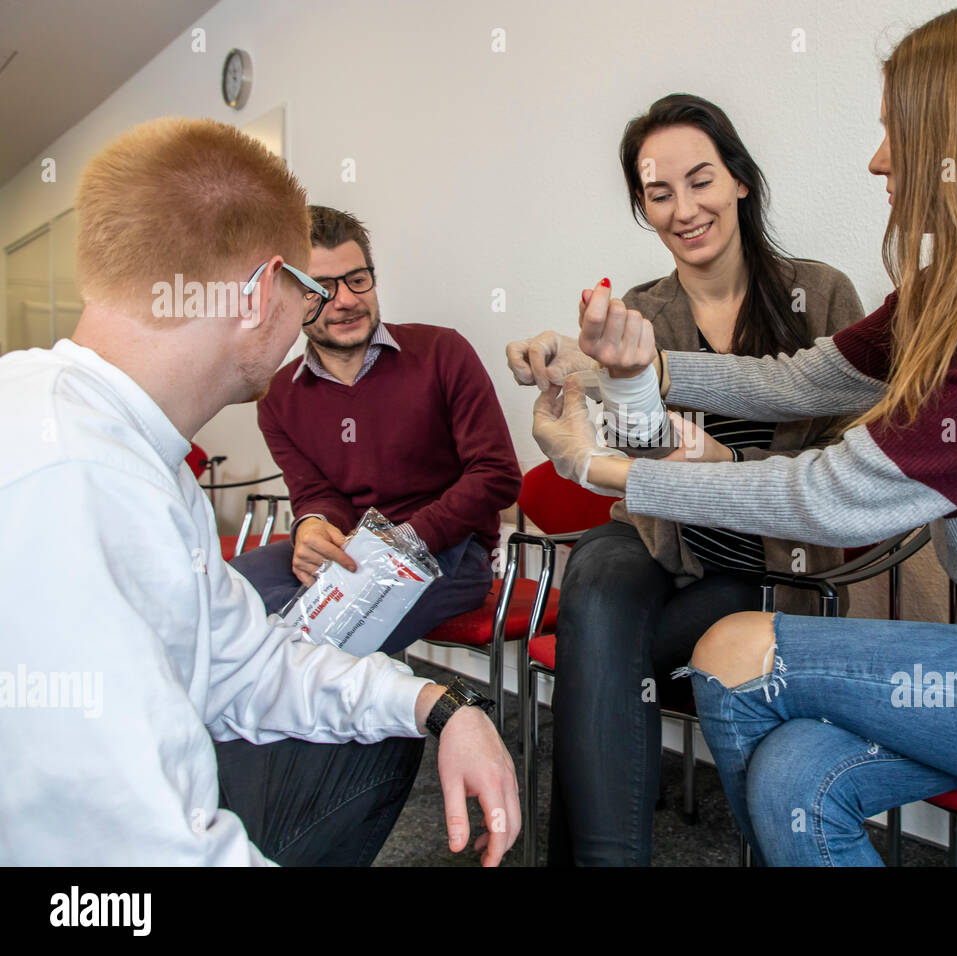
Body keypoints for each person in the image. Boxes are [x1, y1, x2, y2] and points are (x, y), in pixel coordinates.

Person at [528, 0, 957, 866]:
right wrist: (604, 367)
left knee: (733, 653)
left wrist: (602, 469)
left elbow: (833, 495)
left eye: (897, 131)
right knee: (793, 775)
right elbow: (803, 378)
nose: (877, 160)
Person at [0, 118, 519, 866]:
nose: (324, 308)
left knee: (377, 727)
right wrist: (318, 525)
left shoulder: (124, 449)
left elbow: (242, 661)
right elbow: (128, 861)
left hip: (438, 558)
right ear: (255, 297)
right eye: (307, 289)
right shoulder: (72, 480)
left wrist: (437, 703)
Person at [508, 93, 865, 865]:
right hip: (658, 545)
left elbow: (850, 470)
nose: (683, 209)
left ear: (740, 179)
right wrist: (571, 377)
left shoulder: (823, 295)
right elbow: (631, 453)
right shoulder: (640, 311)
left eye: (700, 180)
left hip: (763, 566)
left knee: (596, 653)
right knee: (601, 574)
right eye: (658, 193)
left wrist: (728, 464)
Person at [229, 206, 521, 656]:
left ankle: (396, 718)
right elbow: (318, 493)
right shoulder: (278, 397)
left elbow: (496, 473)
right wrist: (312, 525)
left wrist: (399, 542)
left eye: (357, 279)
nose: (345, 300)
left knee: (327, 640)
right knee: (228, 595)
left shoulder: (443, 352)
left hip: (454, 552)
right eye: (320, 290)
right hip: (352, 549)